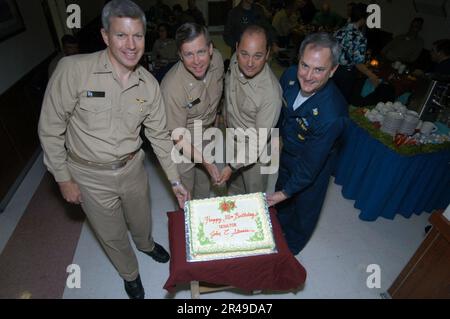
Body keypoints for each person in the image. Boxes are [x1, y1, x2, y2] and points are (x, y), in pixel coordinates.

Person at [38, 0, 189, 299]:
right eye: (121, 35)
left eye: (138, 36)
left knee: (141, 218)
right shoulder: (74, 69)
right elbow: (50, 127)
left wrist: (174, 180)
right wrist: (63, 178)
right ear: (106, 36)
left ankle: (145, 244)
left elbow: (159, 136)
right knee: (111, 233)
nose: (131, 45)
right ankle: (129, 273)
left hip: (133, 168)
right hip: (89, 175)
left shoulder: (148, 85)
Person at [267, 33, 348, 255]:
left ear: (332, 70)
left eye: (319, 69)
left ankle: (288, 251)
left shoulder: (333, 114)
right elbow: (282, 114)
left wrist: (286, 192)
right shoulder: (290, 76)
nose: (308, 76)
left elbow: (310, 165)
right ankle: (275, 231)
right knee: (281, 195)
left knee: (304, 209)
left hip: (315, 163)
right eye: (305, 65)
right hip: (289, 152)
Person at [160, 23, 224, 199]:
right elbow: (178, 136)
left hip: (206, 130)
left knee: (204, 185)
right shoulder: (172, 86)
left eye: (201, 52)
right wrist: (206, 162)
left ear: (210, 49)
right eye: (189, 54)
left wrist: (216, 123)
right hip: (182, 139)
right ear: (180, 55)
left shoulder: (217, 60)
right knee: (186, 192)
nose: (197, 61)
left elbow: (219, 91)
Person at [219, 25, 282, 194]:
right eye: (244, 53)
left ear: (267, 54)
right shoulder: (234, 59)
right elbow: (228, 87)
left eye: (258, 56)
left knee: (253, 198)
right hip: (233, 138)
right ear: (237, 48)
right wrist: (224, 113)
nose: (249, 63)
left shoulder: (270, 94)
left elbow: (257, 142)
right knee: (233, 191)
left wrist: (232, 166)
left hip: (256, 151)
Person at [333, 2, 381, 102]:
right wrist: (372, 76)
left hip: (332, 69)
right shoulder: (360, 37)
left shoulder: (339, 31)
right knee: (339, 101)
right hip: (346, 74)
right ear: (363, 18)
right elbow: (358, 63)